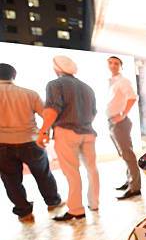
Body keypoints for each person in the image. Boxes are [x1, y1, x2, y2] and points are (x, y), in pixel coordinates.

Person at [37, 56, 100, 221]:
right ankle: (94, 203)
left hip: (66, 131)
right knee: (92, 169)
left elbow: (52, 110)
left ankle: (76, 210)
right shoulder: (87, 88)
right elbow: (94, 112)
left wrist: (43, 131)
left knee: (72, 172)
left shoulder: (55, 84)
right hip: (88, 132)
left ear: (56, 69)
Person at [0, 63, 63, 222]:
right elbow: (47, 116)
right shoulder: (29, 94)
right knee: (43, 174)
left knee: (11, 180)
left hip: (2, 144)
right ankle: (53, 203)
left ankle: (24, 213)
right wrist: (45, 133)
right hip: (31, 141)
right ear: (14, 76)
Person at [106, 56, 141, 200]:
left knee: (128, 154)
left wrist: (122, 114)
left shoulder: (123, 81)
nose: (113, 65)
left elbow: (132, 97)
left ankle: (135, 188)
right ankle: (129, 181)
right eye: (110, 62)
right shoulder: (111, 82)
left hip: (120, 123)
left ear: (121, 66)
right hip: (112, 122)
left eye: (116, 63)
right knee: (123, 155)